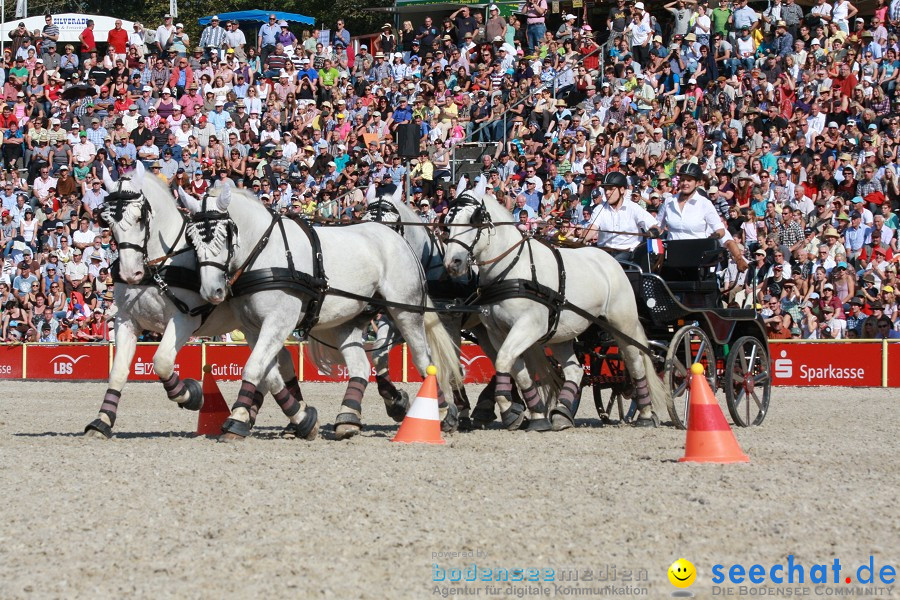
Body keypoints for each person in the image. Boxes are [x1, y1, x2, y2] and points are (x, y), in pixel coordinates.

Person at [656, 163, 748, 270]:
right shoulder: (669, 202)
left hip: (697, 261)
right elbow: (657, 227)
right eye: (682, 180)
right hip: (673, 260)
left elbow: (722, 232)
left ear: (697, 183)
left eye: (689, 180)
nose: (685, 183)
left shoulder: (704, 204)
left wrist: (738, 259)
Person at [586, 171, 659, 260]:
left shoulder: (634, 208)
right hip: (603, 253)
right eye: (605, 189)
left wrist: (652, 231)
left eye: (611, 189)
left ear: (622, 190)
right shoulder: (599, 208)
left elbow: (655, 226)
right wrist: (582, 238)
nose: (607, 192)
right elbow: (592, 228)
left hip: (627, 254)